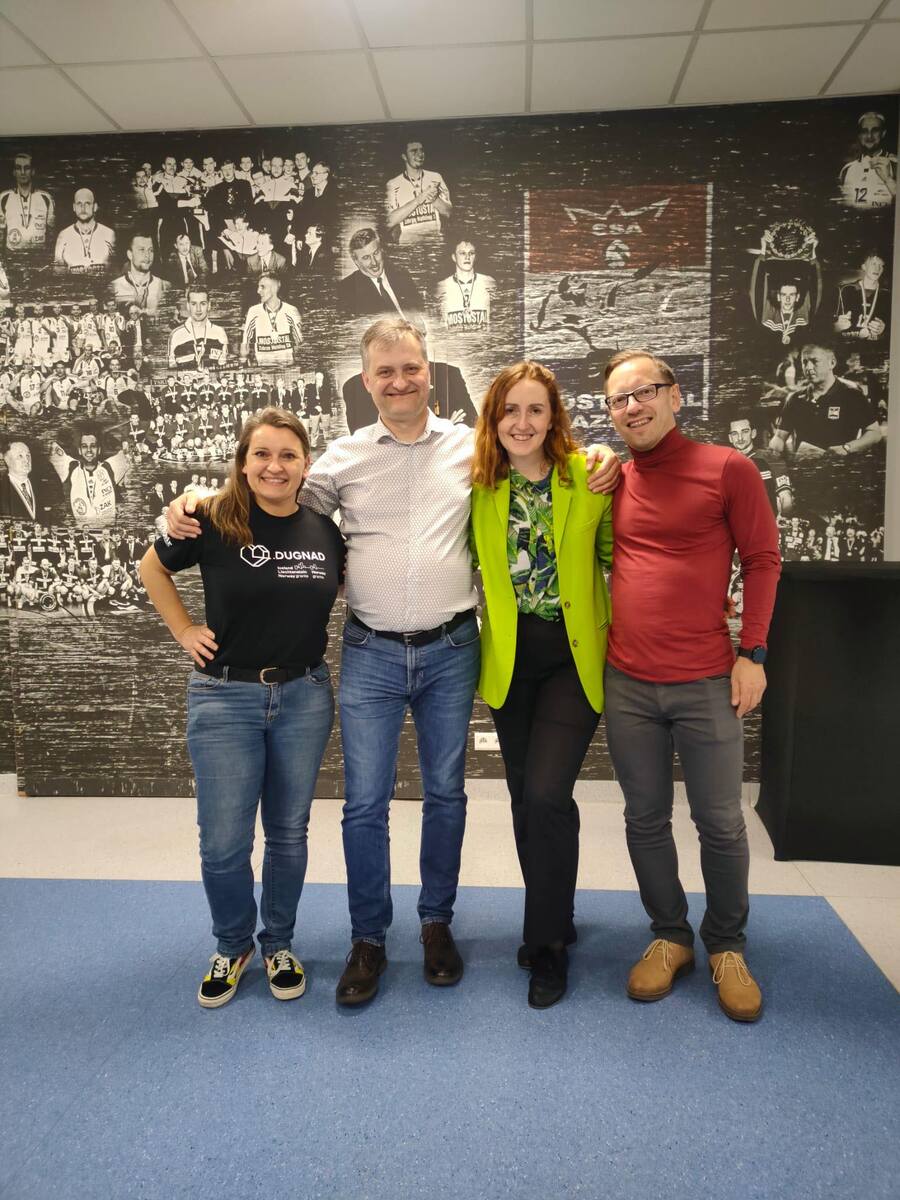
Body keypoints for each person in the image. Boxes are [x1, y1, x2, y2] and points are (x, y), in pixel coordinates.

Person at [165, 317, 620, 1008]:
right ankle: (368, 939)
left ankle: (436, 925)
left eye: (411, 368)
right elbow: (270, 498)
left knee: (446, 796)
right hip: (370, 653)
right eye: (385, 371)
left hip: (451, 649)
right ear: (366, 379)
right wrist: (191, 504)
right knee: (365, 805)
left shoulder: (473, 450)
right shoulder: (340, 460)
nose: (400, 381)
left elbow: (544, 464)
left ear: (429, 371)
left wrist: (600, 456)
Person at [140, 407, 345, 1008]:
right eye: (262, 454)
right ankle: (233, 946)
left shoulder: (324, 531)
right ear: (244, 461)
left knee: (288, 832)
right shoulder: (210, 518)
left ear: (306, 464)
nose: (274, 466)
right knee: (224, 840)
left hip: (304, 696)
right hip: (224, 698)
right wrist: (184, 631)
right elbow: (152, 567)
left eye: (288, 455)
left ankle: (278, 942)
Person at [601, 349, 781, 1023]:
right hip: (628, 681)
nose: (633, 407)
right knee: (643, 817)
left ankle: (727, 946)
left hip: (708, 678)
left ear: (675, 396)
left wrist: (752, 652)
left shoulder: (727, 469)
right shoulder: (612, 477)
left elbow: (762, 560)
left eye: (644, 392)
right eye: (619, 399)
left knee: (720, 821)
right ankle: (671, 936)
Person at [470, 362, 613, 1008]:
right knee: (528, 800)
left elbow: (618, 556)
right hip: (510, 662)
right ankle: (557, 914)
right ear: (493, 419)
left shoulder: (589, 476)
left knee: (549, 794)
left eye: (535, 409)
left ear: (554, 417)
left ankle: (547, 946)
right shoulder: (477, 487)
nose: (522, 422)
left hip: (572, 661)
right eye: (510, 410)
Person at [769, 344, 882, 459]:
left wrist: (847, 448)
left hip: (841, 467)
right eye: (805, 362)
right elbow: (779, 436)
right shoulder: (795, 399)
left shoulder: (852, 395)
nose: (808, 367)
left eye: (815, 361)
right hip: (804, 467)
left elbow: (874, 433)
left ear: (832, 363)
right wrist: (775, 448)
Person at [49, 426, 130, 527]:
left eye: (93, 446)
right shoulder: (71, 468)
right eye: (84, 446)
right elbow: (51, 447)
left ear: (99, 450)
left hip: (107, 531)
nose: (89, 450)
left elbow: (129, 453)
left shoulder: (109, 467)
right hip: (81, 531)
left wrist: (125, 439)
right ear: (79, 450)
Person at [337, 228, 422, 318]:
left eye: (376, 253)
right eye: (366, 257)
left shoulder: (401, 274)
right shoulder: (347, 290)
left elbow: (420, 312)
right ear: (356, 261)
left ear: (381, 250)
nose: (374, 262)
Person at [727, 413, 793, 516]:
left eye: (745, 432)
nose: (740, 438)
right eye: (735, 433)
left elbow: (785, 497)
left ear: (753, 433)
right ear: (730, 438)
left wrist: (783, 516)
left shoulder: (771, 458)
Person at [386, 140, 451, 243]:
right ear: (404, 156)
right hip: (408, 247)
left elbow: (449, 213)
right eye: (414, 151)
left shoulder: (436, 177)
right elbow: (389, 222)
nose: (420, 154)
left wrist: (435, 200)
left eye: (421, 150)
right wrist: (417, 200)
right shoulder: (393, 184)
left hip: (434, 245)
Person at [240, 272, 302, 366]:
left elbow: (299, 343)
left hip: (286, 368)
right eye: (258, 287)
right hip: (263, 368)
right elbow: (245, 344)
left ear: (274, 288)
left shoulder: (291, 310)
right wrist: (243, 363)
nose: (258, 291)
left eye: (263, 287)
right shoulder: (253, 311)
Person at [839, 111, 897, 209]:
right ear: (859, 135)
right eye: (864, 131)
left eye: (875, 131)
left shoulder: (895, 165)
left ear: (883, 133)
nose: (869, 136)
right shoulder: (847, 169)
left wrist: (888, 180)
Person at [0, 152, 55, 251]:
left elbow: (51, 234)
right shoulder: (4, 198)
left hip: (39, 256)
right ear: (14, 172)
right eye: (18, 168)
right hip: (12, 256)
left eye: (27, 168)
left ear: (33, 171)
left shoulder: (46, 198)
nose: (22, 172)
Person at [53, 187, 116, 273]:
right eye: (79, 203)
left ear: (95, 207)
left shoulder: (109, 234)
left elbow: (115, 270)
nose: (83, 208)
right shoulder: (64, 235)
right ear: (74, 207)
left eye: (87, 203)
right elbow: (58, 271)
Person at [438, 239, 495, 332]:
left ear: (475, 257)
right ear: (454, 257)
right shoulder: (442, 287)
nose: (467, 257)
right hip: (454, 340)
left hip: (482, 340)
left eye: (471, 253)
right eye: (462, 253)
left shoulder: (488, 282)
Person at [167, 285, 228, 370]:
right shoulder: (177, 335)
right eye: (194, 304)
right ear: (188, 306)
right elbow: (172, 369)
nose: (198, 309)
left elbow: (224, 367)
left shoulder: (219, 332)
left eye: (203, 304)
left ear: (209, 305)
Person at [110, 233, 170, 314]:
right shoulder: (115, 287)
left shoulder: (164, 286)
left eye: (151, 250)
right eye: (142, 250)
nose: (147, 255)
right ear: (130, 254)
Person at [835, 253, 889, 342]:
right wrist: (836, 326)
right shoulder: (845, 290)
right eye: (873, 264)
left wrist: (884, 329)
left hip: (874, 347)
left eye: (881, 265)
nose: (877, 268)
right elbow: (825, 327)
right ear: (864, 267)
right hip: (846, 346)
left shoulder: (888, 295)